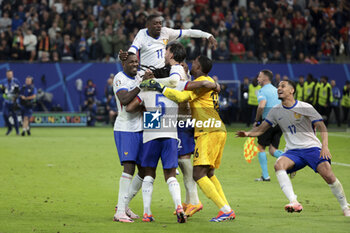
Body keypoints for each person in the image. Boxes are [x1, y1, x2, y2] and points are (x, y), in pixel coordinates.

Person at [140, 55, 235, 222]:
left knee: (198, 174)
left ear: (198, 67)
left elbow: (181, 97)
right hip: (218, 129)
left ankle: (224, 210)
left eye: (194, 63)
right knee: (209, 173)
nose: (191, 64)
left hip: (208, 131)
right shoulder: (207, 81)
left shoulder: (202, 84)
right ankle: (226, 207)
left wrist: (158, 86)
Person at [236, 80, 350, 217]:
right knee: (278, 165)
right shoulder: (275, 111)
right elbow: (261, 129)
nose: (279, 88)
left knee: (329, 176)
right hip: (293, 151)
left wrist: (324, 147)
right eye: (278, 86)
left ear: (292, 91)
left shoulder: (305, 107)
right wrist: (248, 134)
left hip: (312, 148)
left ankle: (345, 207)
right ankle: (294, 201)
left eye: (283, 86)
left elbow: (322, 126)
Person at [112, 53, 151, 223]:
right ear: (124, 63)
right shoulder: (120, 78)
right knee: (129, 167)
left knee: (144, 169)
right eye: (131, 62)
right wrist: (141, 86)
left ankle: (124, 204)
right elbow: (125, 100)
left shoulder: (141, 75)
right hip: (125, 128)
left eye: (137, 61)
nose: (135, 64)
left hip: (142, 128)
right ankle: (119, 212)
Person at [120, 14, 217, 71]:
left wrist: (207, 35)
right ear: (148, 25)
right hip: (146, 73)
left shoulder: (165, 32)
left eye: (160, 23)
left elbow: (187, 32)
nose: (159, 26)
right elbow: (133, 48)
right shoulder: (142, 33)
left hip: (163, 71)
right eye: (155, 23)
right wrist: (126, 55)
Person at [254, 70, 284, 181]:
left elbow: (261, 106)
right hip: (280, 122)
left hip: (268, 122)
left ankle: (265, 176)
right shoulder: (277, 90)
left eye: (259, 76)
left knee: (261, 147)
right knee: (273, 150)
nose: (257, 78)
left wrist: (257, 121)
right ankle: (291, 159)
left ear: (265, 78)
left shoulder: (262, 91)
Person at [0, 70, 21, 135]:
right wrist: (5, 96)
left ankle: (17, 131)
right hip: (6, 102)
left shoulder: (16, 81)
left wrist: (15, 98)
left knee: (15, 116)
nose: (9, 75)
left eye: (10, 74)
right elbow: (2, 92)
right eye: (8, 74)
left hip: (14, 102)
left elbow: (18, 91)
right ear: (6, 75)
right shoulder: (3, 82)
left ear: (12, 74)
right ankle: (9, 128)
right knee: (5, 115)